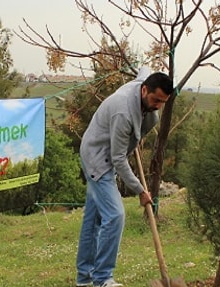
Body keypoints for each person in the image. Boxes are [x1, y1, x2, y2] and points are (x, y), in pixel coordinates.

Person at [75, 67, 174, 287]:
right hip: (98, 159)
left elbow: (143, 70)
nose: (158, 105)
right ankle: (102, 279)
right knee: (115, 215)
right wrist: (140, 190)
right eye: (155, 99)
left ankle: (84, 279)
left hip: (103, 151)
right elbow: (118, 159)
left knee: (93, 221)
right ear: (144, 90)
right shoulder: (123, 112)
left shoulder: (143, 87)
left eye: (162, 102)